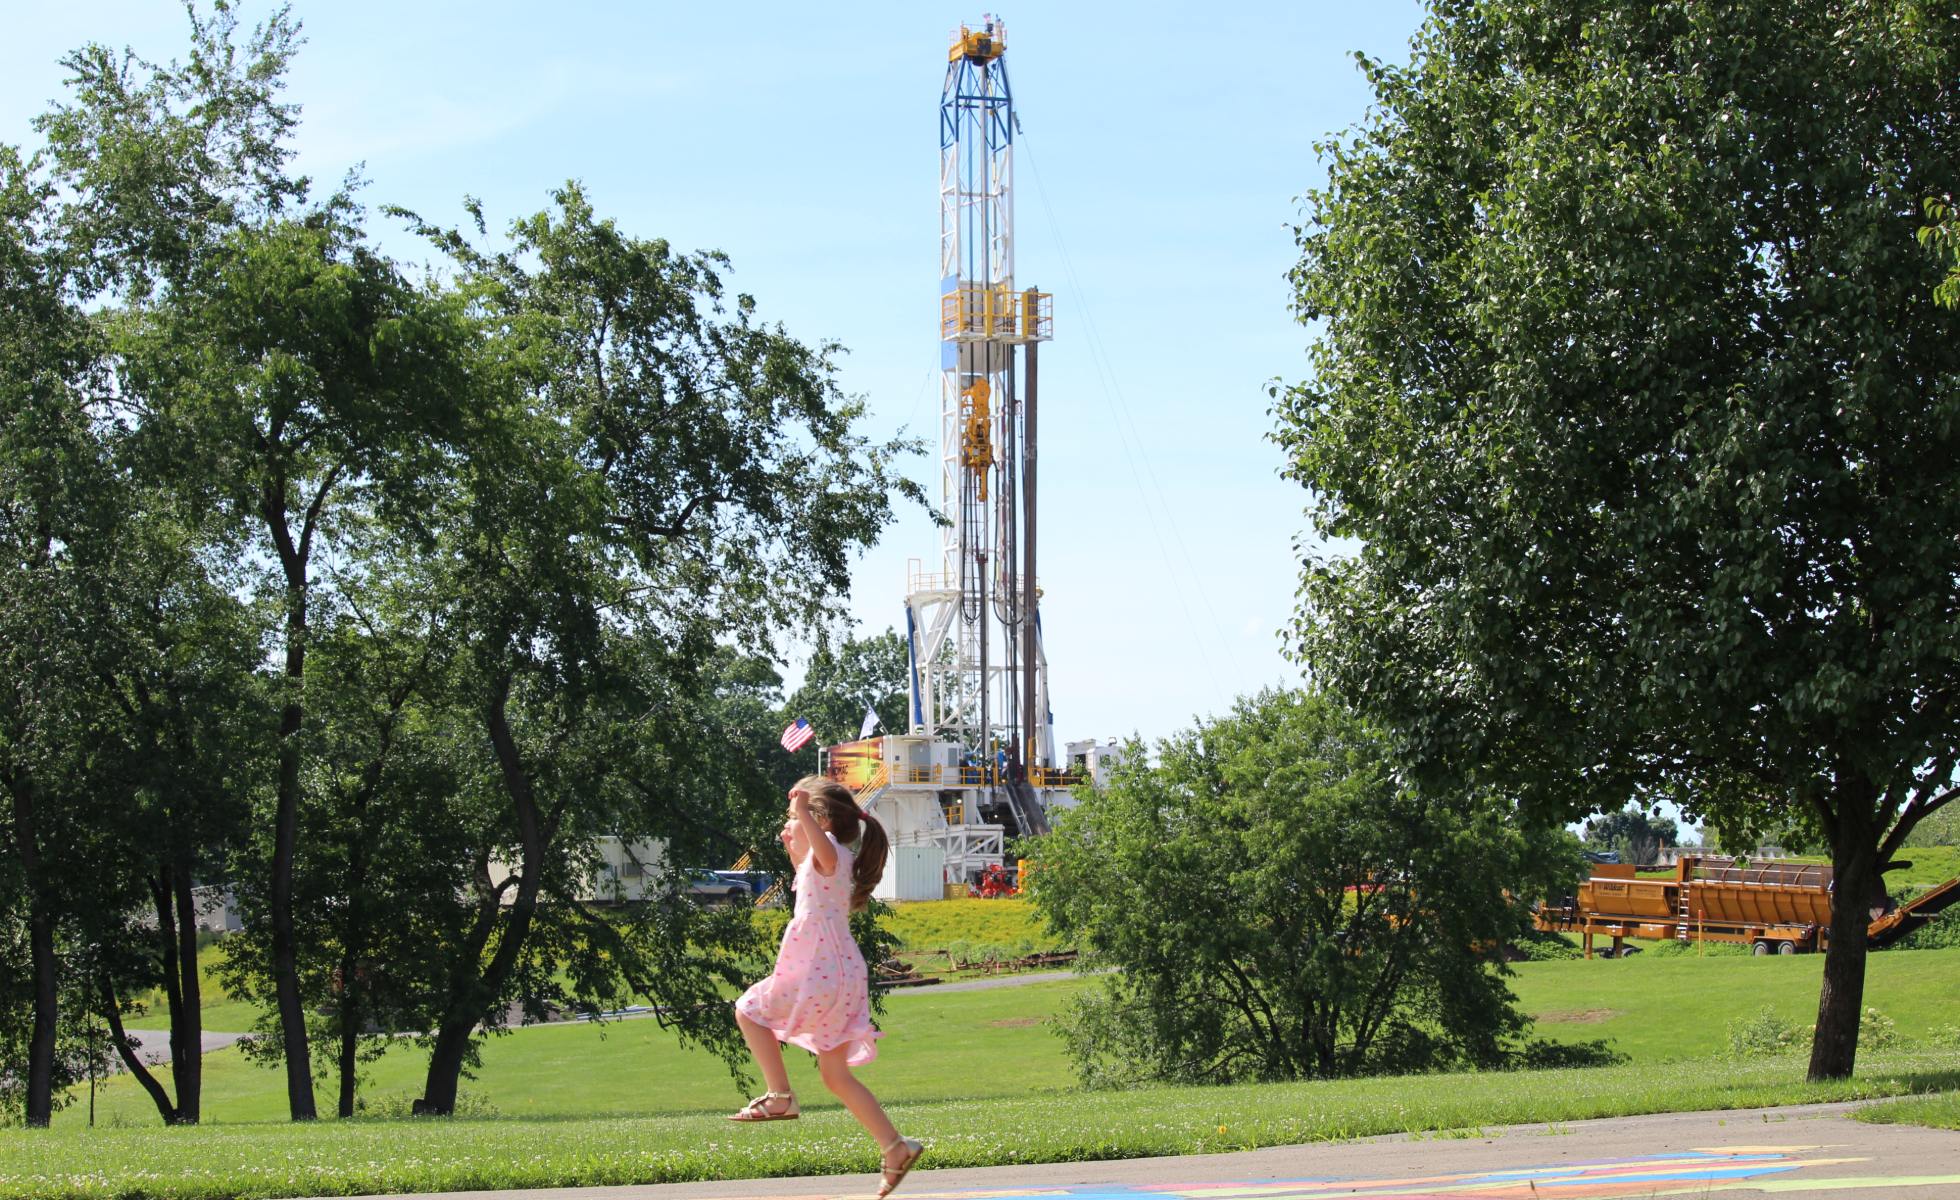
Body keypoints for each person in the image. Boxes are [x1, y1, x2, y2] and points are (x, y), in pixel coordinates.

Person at [730, 775, 925, 1198]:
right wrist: (793, 838)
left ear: (819, 819)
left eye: (793, 819)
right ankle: (895, 1147)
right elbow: (811, 864)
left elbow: (821, 851)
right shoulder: (819, 863)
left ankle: (780, 1094)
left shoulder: (832, 852)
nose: (786, 826)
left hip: (820, 968)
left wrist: (801, 812)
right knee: (836, 1076)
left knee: (748, 1009)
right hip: (835, 971)